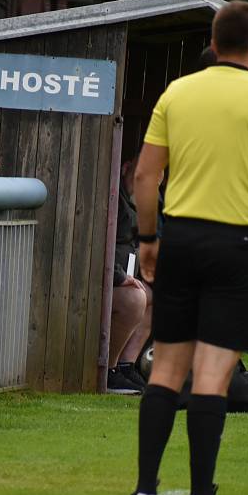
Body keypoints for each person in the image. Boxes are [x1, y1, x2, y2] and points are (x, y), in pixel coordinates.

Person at [124, 1, 248, 495]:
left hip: (179, 238)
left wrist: (149, 238)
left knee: (166, 370)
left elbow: (144, 176)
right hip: (239, 246)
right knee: (212, 375)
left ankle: (144, 493)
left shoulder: (178, 92)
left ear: (213, 37)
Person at [107, 157, 152, 395]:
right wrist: (117, 276)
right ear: (125, 168)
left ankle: (127, 364)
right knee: (136, 299)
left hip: (127, 275)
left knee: (155, 296)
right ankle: (109, 370)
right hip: (104, 281)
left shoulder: (136, 199)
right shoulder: (112, 196)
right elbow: (99, 241)